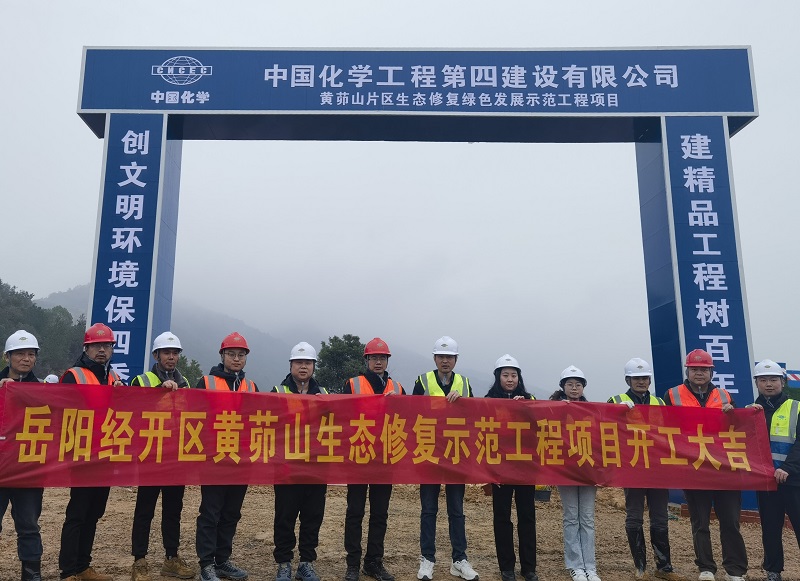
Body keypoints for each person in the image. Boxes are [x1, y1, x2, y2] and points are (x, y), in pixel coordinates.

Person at [665, 349, 747, 581]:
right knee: (700, 522)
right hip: (694, 468)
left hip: (724, 468)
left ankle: (735, 570)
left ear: (711, 372)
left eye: (704, 369)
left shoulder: (724, 395)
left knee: (730, 521)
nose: (699, 373)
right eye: (694, 369)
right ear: (687, 371)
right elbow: (661, 426)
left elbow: (739, 428)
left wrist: (733, 414)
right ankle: (706, 568)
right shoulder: (672, 395)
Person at [607, 358, 684, 581]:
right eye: (636, 378)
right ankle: (640, 567)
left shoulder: (659, 402)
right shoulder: (616, 401)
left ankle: (664, 567)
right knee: (634, 516)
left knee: (660, 517)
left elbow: (672, 429)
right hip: (632, 467)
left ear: (650, 380)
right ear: (628, 380)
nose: (641, 382)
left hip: (657, 468)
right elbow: (602, 425)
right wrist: (616, 412)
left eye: (644, 378)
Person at [58, 322, 124, 581]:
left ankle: (83, 566)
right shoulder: (73, 375)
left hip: (106, 454)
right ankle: (68, 571)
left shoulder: (115, 378)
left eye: (106, 345)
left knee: (95, 512)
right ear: (86, 348)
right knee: (77, 512)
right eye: (96, 346)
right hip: (82, 454)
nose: (102, 350)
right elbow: (61, 412)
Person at [129, 332, 195, 581]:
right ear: (156, 355)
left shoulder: (185, 383)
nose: (171, 357)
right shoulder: (141, 380)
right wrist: (158, 390)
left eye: (175, 353)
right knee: (144, 509)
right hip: (150, 455)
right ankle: (139, 561)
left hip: (176, 457)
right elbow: (132, 410)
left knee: (173, 510)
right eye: (166, 352)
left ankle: (171, 558)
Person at [412, 336, 479, 581]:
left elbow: (474, 416)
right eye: (441, 356)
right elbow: (411, 413)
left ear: (456, 360)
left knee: (456, 510)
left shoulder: (465, 383)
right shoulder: (422, 381)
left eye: (449, 357)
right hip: (429, 452)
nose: (445, 361)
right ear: (434, 358)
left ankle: (459, 559)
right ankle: (427, 559)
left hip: (455, 453)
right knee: (429, 509)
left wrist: (461, 402)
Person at [195, 332, 257, 581]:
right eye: (231, 354)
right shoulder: (206, 382)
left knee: (231, 513)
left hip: (240, 461)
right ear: (222, 356)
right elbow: (193, 417)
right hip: (214, 459)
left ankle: (222, 560)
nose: (236, 359)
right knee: (210, 513)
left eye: (241, 355)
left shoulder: (251, 386)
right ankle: (206, 564)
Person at [342, 338, 404, 581]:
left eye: (382, 358)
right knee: (355, 512)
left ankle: (374, 562)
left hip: (385, 458)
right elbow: (343, 417)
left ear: (387, 361)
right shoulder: (352, 384)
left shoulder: (398, 388)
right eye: (374, 358)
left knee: (380, 513)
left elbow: (408, 420)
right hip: (358, 456)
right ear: (366, 360)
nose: (378, 362)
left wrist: (396, 405)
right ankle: (353, 564)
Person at [272, 342, 329, 581]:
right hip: (287, 467)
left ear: (314, 366)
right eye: (298, 362)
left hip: (316, 468)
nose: (303, 367)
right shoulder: (278, 391)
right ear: (291, 365)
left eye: (307, 363)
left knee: (312, 517)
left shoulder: (324, 394)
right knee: (284, 517)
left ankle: (306, 562)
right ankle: (284, 563)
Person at [746, 360, 800, 581]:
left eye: (773, 380)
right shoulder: (750, 411)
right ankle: (773, 570)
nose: (768, 384)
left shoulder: (796, 407)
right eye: (763, 380)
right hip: (766, 481)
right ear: (757, 383)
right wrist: (735, 416)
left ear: (782, 382)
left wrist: (788, 468)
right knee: (770, 528)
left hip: (794, 479)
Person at [485, 354, 537, 581]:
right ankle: (506, 567)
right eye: (505, 375)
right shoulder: (488, 400)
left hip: (525, 468)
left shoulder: (530, 398)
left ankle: (529, 568)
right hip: (500, 468)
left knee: (527, 516)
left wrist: (525, 407)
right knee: (502, 517)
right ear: (498, 377)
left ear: (519, 378)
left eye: (513, 375)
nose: (509, 379)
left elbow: (541, 425)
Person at [0, 330, 44, 581]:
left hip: (28, 470)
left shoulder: (44, 391)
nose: (26, 359)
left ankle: (31, 574)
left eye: (31, 354)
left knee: (28, 526)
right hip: (0, 468)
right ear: (7, 356)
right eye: (20, 354)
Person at [549, 366, 600, 581]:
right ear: (563, 387)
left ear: (583, 387)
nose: (574, 388)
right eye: (569, 384)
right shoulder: (552, 409)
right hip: (566, 471)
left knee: (587, 518)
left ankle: (590, 566)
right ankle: (575, 565)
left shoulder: (591, 410)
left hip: (587, 470)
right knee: (571, 517)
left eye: (578, 384)